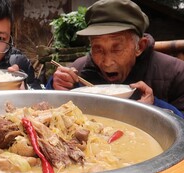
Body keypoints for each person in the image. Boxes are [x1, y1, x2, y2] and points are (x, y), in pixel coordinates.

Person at [46, 0, 184, 118]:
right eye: (98, 49)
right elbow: (48, 115)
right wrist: (56, 87)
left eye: (116, 49)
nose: (107, 62)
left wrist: (155, 107)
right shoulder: (79, 69)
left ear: (140, 46)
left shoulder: (176, 73)